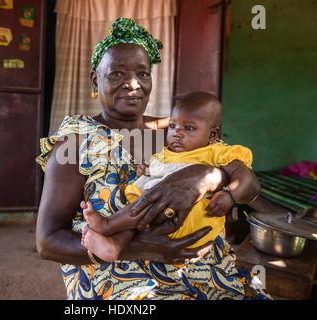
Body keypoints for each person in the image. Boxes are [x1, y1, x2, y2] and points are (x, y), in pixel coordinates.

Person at [36, 17, 271, 300]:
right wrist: (142, 247)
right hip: (120, 280)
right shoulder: (77, 142)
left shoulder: (176, 131)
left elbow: (250, 186)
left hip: (206, 271)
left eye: (142, 74)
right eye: (116, 74)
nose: (132, 84)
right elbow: (47, 242)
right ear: (95, 80)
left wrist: (209, 176)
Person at [80, 92, 254, 262]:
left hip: (194, 218)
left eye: (189, 128)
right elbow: (158, 170)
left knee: (144, 207)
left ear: (213, 135)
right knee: (139, 214)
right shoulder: (167, 153)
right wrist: (146, 170)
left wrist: (230, 195)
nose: (177, 133)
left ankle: (107, 225)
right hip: (160, 216)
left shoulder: (217, 152)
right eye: (172, 126)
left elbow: (243, 176)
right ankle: (115, 246)